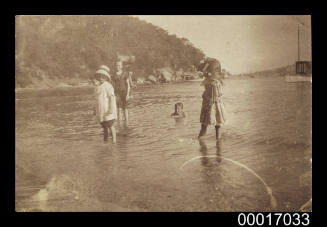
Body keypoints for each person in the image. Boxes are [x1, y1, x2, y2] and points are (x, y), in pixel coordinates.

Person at [198, 58, 227, 140]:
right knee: (215, 125)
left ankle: (203, 141)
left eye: (206, 72)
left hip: (211, 105)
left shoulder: (213, 82)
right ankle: (217, 142)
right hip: (212, 104)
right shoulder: (210, 81)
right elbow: (214, 94)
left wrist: (208, 102)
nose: (204, 74)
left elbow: (214, 96)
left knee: (207, 125)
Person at [93, 67, 117, 143]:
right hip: (101, 110)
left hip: (107, 109)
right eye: (99, 76)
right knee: (104, 126)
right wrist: (94, 109)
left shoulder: (108, 86)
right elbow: (96, 99)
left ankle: (114, 141)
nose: (101, 78)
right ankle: (105, 140)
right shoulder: (97, 87)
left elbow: (111, 98)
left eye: (103, 76)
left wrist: (111, 108)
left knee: (110, 125)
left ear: (106, 77)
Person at [112, 61, 131, 125]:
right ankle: (119, 124)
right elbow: (113, 85)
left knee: (125, 108)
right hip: (117, 94)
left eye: (119, 65)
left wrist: (128, 94)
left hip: (124, 93)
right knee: (119, 108)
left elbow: (128, 85)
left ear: (122, 66)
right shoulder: (114, 75)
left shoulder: (125, 73)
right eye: (117, 65)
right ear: (115, 66)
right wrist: (114, 95)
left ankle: (127, 124)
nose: (118, 67)